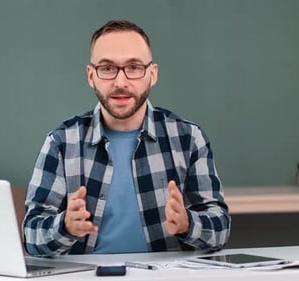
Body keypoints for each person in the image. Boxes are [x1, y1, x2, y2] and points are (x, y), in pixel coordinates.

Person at [22, 19, 231, 256]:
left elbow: (220, 228)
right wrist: (66, 227)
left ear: (152, 74)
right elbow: (31, 235)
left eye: (133, 67)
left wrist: (187, 224)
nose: (121, 82)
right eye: (107, 68)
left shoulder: (188, 138)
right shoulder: (61, 142)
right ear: (91, 76)